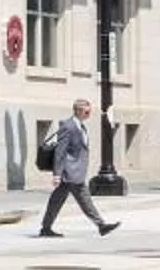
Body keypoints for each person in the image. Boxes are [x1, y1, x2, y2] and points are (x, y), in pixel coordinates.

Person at [38, 98, 117, 239]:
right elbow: (60, 152)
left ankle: (46, 227)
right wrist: (57, 174)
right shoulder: (68, 127)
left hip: (74, 171)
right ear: (79, 111)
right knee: (83, 199)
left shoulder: (80, 126)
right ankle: (101, 225)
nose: (89, 114)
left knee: (57, 200)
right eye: (87, 111)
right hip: (70, 172)